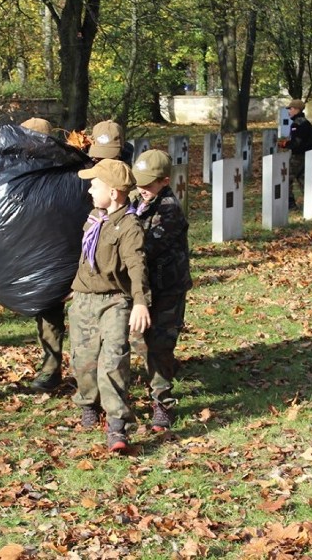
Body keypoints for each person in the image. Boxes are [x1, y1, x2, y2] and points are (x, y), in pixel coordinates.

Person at [70, 159, 151, 452]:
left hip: (114, 301)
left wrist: (140, 302)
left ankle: (117, 426)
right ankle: (89, 403)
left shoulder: (129, 226)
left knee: (113, 360)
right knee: (82, 358)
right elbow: (86, 258)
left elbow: (136, 265)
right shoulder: (95, 217)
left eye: (95, 184)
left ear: (115, 192)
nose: (90, 189)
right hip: (83, 301)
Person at [130, 150, 192, 432]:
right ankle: (163, 370)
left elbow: (146, 247)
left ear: (164, 181)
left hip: (168, 287)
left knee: (160, 344)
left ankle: (162, 403)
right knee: (138, 342)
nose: (142, 188)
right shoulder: (136, 200)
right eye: (138, 182)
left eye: (148, 184)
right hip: (144, 287)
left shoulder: (170, 209)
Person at [18, 116, 68, 394]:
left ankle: (98, 369)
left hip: (66, 250)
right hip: (37, 253)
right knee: (48, 314)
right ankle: (51, 368)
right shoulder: (13, 169)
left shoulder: (65, 168)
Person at [281, 99, 312, 210]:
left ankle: (290, 203)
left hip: (298, 156)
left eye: (290, 109)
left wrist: (285, 144)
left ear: (297, 109)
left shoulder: (298, 124)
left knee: (286, 178)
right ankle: (311, 202)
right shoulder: (306, 123)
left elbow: (297, 142)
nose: (289, 111)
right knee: (302, 179)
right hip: (307, 155)